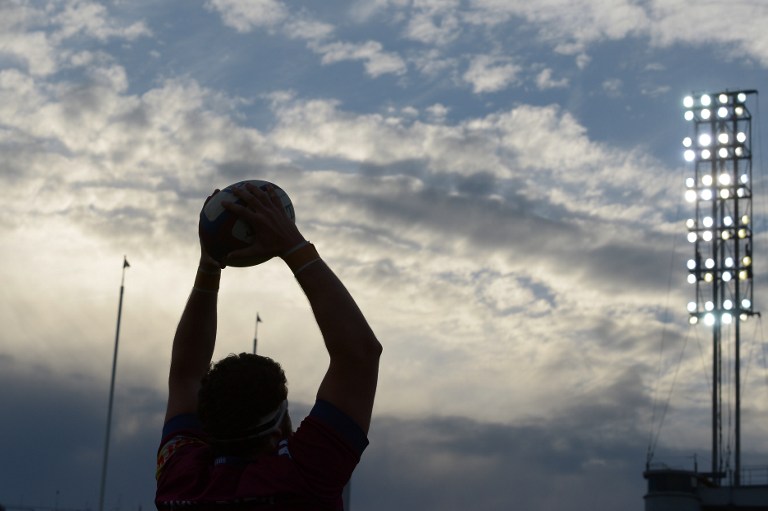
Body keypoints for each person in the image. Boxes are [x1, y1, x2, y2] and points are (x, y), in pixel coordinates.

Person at [155, 183, 382, 510]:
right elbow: (359, 355)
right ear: (277, 434)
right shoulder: (302, 479)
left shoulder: (180, 482)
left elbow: (186, 375)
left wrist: (209, 261)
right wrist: (292, 244)